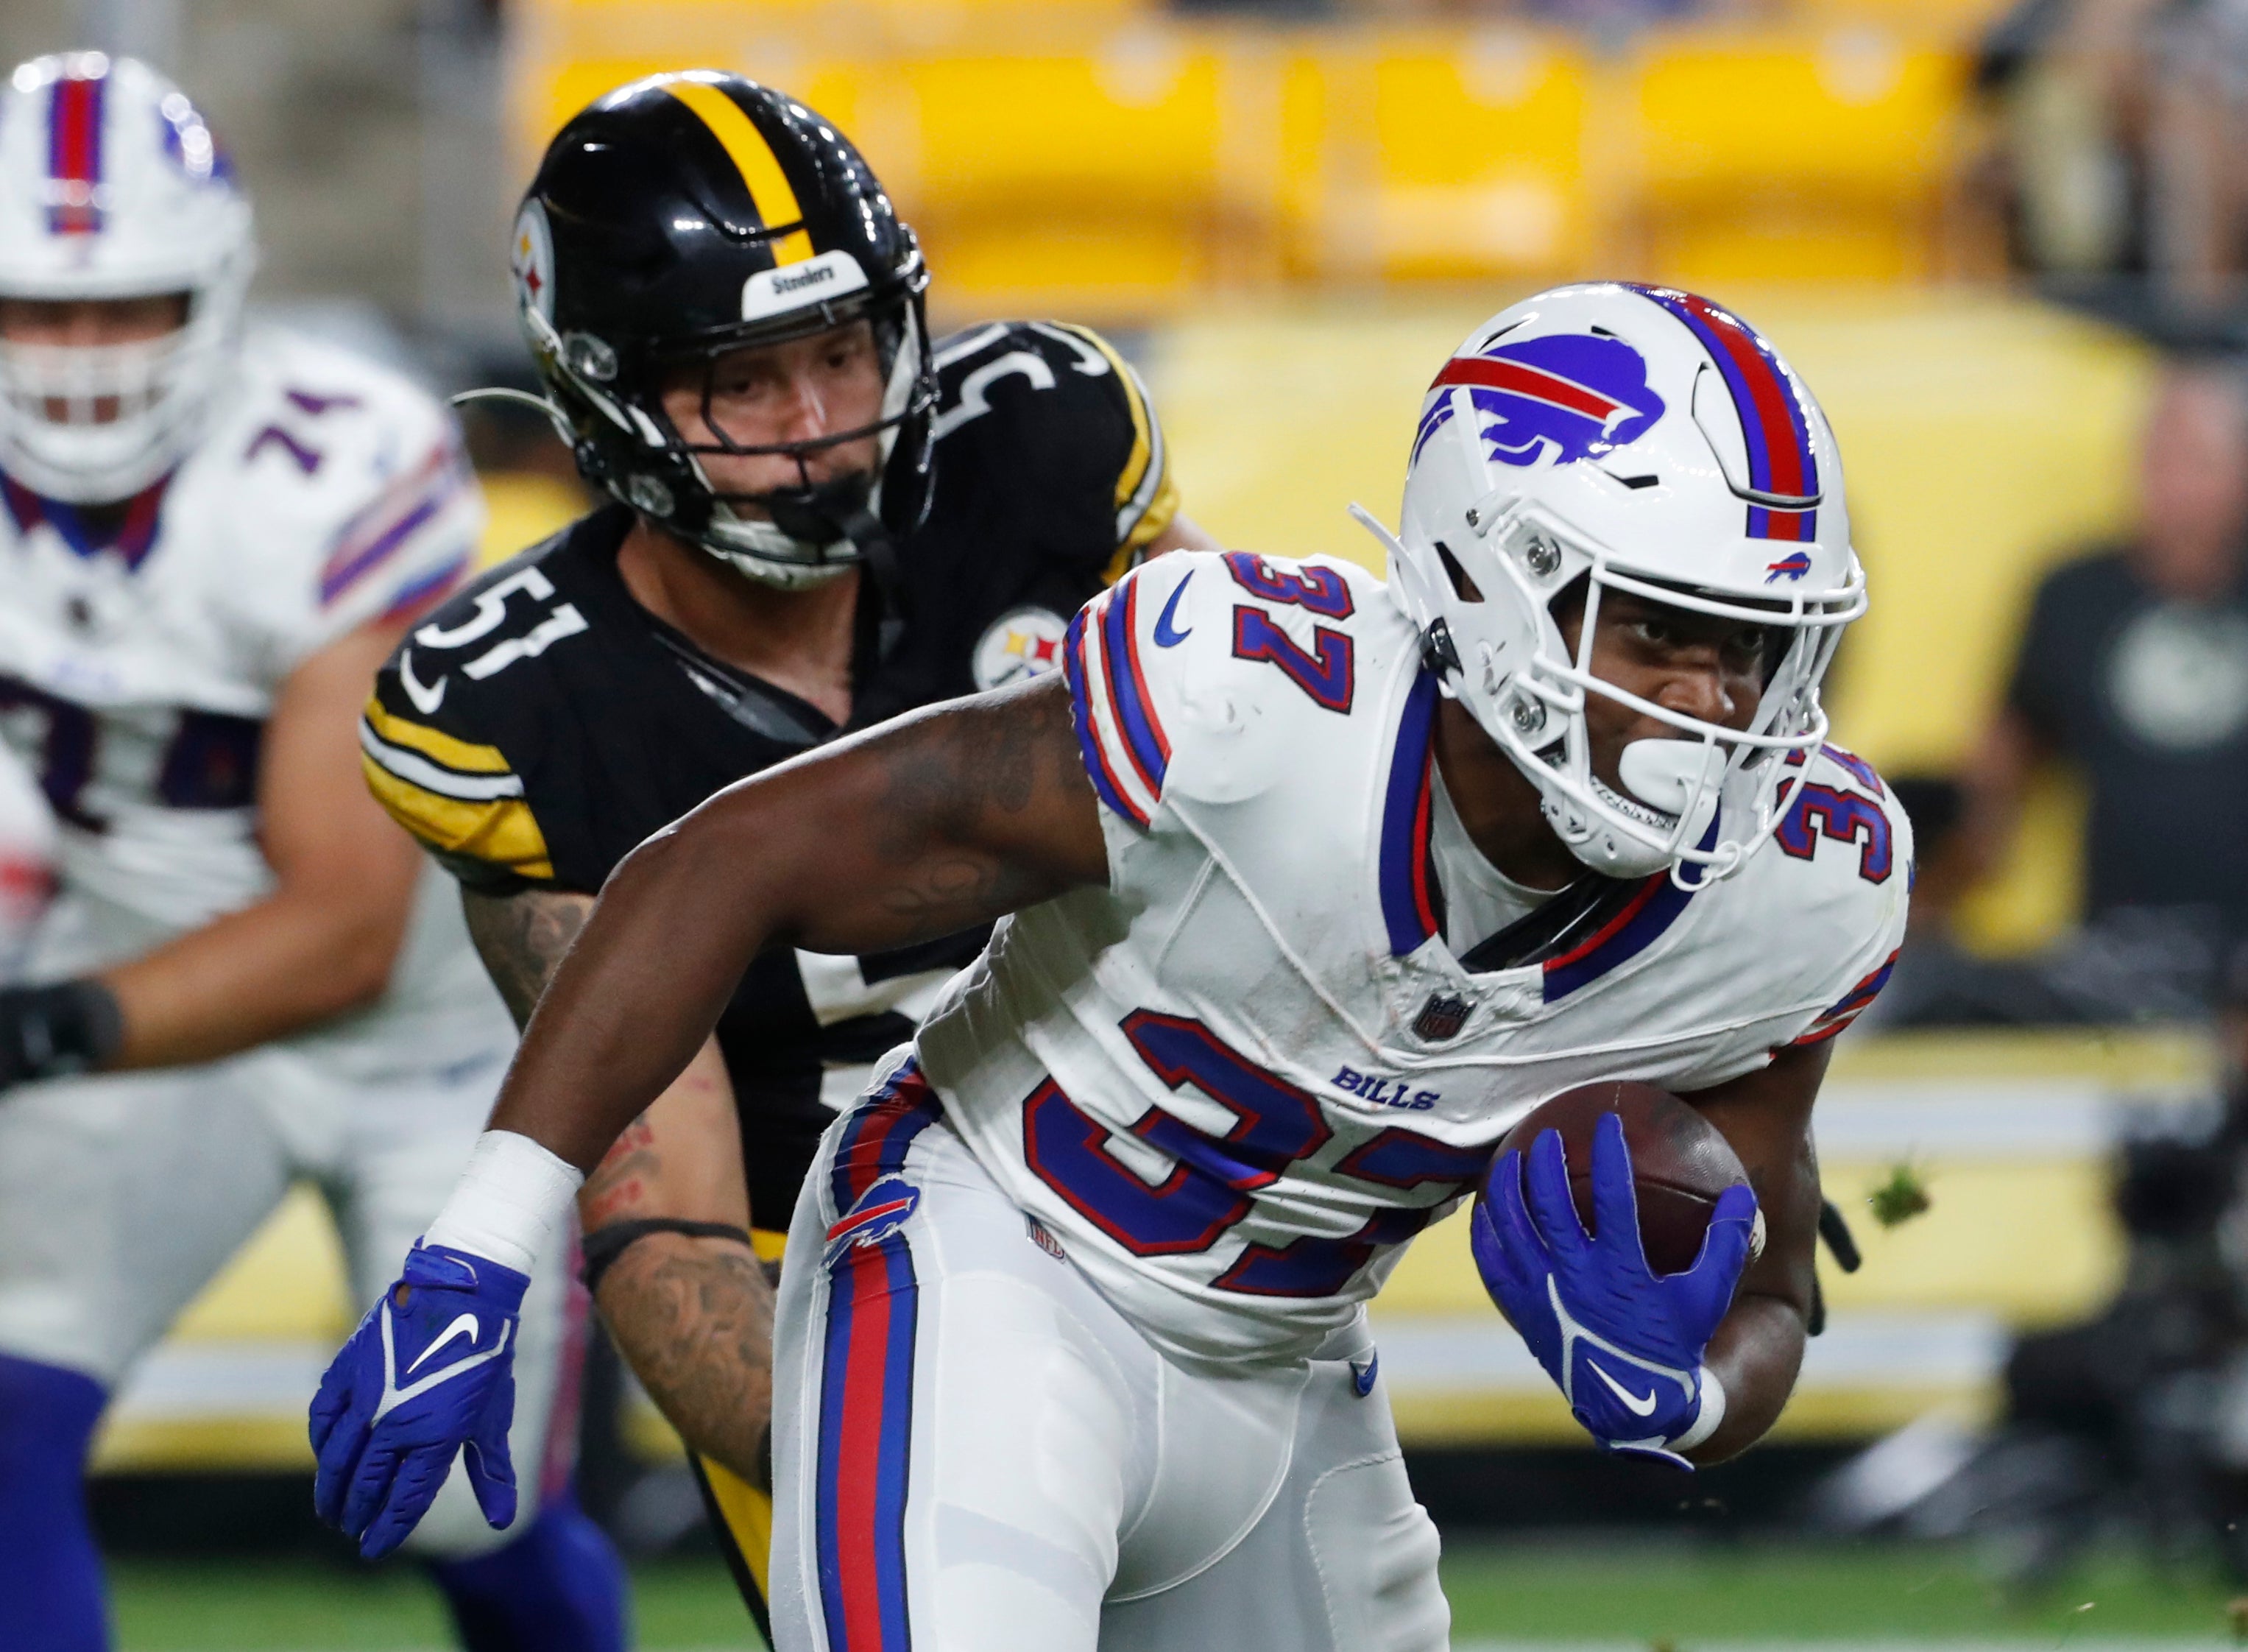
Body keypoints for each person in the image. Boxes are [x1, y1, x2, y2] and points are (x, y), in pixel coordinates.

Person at [314, 281, 1910, 1648]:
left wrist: (1685, 1394)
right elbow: (722, 859)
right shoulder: (1252, 708)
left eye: (1754, 648)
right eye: (1655, 631)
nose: (1715, 708)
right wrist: (485, 1242)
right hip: (989, 1267)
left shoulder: (1799, 891)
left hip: (1283, 1378)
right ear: (1492, 581)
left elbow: (1767, 1288)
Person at [352, 69, 1215, 1631]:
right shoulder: (524, 703)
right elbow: (662, 1204)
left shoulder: (1041, 454)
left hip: (1160, 1193)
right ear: (604, 389)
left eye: (838, 352)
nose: (819, 428)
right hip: (836, 1278)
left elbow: (1283, 811)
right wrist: (901, 1463)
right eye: (742, 384)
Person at [0, 54, 625, 1652]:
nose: (75, 364)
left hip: (420, 1034)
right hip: (136, 982)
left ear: (213, 291)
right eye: (35, 311)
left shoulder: (334, 461)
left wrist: (46, 1023)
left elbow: (341, 925)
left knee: (462, 1509)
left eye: (121, 308)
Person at [1964, 358, 2248, 1007]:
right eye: (2154, 456)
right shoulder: (2075, 594)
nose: (2166, 482)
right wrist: (1945, 883)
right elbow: (2005, 752)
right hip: (2116, 944)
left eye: (2195, 460)